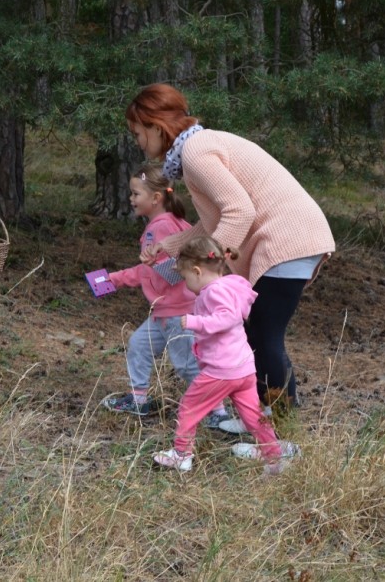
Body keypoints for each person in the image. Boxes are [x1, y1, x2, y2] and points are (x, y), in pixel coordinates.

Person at [127, 83, 335, 422]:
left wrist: (207, 267)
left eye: (138, 132)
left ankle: (280, 428)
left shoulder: (196, 152)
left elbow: (239, 212)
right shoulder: (197, 149)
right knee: (255, 333)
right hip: (290, 238)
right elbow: (217, 219)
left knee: (263, 335)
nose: (137, 141)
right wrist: (170, 246)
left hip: (288, 239)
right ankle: (266, 421)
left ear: (156, 126)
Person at [100, 163, 231, 427]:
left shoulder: (160, 228)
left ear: (156, 198)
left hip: (178, 313)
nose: (131, 199)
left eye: (136, 194)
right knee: (139, 345)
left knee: (187, 365)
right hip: (164, 312)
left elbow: (159, 272)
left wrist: (110, 281)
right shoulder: (176, 223)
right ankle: (138, 400)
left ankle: (217, 412)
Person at [152, 237, 291, 474]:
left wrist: (196, 322)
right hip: (243, 368)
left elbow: (228, 317)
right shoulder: (229, 286)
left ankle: (182, 455)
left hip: (222, 369)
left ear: (197, 271)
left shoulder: (213, 291)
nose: (186, 285)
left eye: (185, 278)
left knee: (189, 407)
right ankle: (273, 456)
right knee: (253, 415)